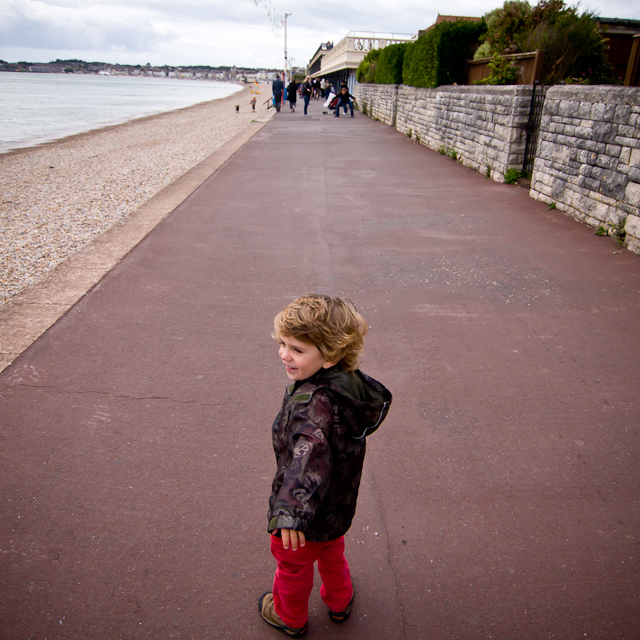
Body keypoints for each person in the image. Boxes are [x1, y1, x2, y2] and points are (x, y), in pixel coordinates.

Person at [258, 294, 392, 638]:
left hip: (304, 514)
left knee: (292, 566)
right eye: (283, 344)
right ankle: (339, 599)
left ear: (330, 356)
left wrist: (290, 511)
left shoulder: (312, 407)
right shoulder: (348, 387)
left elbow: (307, 456)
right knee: (332, 550)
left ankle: (289, 616)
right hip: (337, 504)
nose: (284, 354)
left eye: (297, 350)